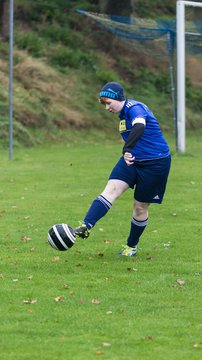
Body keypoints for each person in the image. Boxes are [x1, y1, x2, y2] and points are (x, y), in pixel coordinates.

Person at [75, 82, 171, 257]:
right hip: (131, 161)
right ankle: (86, 226)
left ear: (118, 98)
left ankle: (131, 246)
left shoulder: (135, 108)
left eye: (108, 103)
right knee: (111, 190)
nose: (106, 108)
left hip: (155, 163)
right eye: (104, 104)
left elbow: (140, 126)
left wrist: (127, 148)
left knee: (140, 207)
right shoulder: (122, 115)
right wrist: (128, 151)